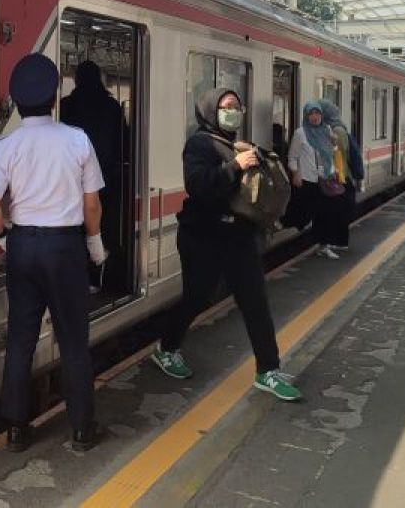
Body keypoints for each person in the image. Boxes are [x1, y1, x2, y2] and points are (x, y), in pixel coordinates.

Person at [0, 53, 106, 453]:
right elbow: (91, 205)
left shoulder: (7, 145)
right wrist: (95, 244)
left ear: (17, 103)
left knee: (21, 340)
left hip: (23, 246)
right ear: (54, 99)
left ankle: (16, 430)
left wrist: (3, 238)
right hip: (65, 247)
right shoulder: (77, 139)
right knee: (72, 340)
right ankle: (83, 430)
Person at [149, 89, 301, 402]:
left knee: (255, 301)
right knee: (197, 297)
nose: (233, 112)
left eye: (236, 106)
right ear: (210, 110)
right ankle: (166, 347)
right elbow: (199, 185)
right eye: (226, 107)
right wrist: (235, 167)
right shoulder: (199, 144)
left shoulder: (235, 144)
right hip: (202, 235)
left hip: (238, 236)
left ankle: (267, 370)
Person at [60, 61, 128, 292]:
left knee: (75, 229)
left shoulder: (66, 107)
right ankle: (97, 277)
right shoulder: (111, 107)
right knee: (101, 227)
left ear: (77, 80)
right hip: (106, 179)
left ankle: (75, 277)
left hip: (72, 179)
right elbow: (124, 143)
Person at [288, 102, 341, 260]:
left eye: (317, 113)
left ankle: (324, 245)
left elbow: (332, 154)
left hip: (325, 179)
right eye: (311, 114)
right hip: (308, 179)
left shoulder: (327, 130)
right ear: (306, 115)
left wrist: (334, 144)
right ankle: (308, 237)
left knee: (326, 213)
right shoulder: (300, 133)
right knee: (307, 213)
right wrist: (295, 173)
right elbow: (292, 157)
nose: (315, 117)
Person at [319, 100, 364, 255]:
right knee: (339, 210)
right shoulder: (338, 127)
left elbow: (340, 154)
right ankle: (338, 240)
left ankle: (336, 241)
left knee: (337, 210)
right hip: (341, 176)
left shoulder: (336, 130)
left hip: (338, 177)